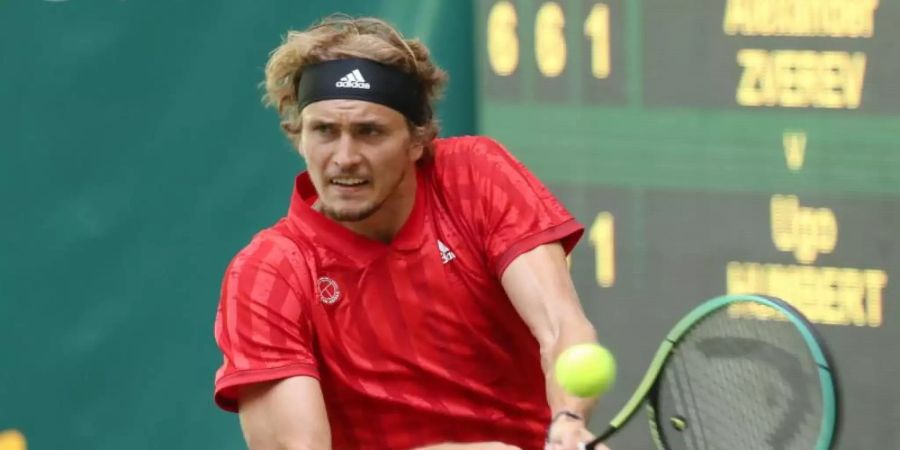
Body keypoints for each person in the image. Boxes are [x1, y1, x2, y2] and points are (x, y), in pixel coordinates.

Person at [213, 16, 611, 450]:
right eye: (325, 131)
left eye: (370, 132)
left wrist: (568, 423)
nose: (344, 157)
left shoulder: (475, 177)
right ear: (298, 137)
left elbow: (560, 326)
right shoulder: (268, 274)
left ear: (417, 140)